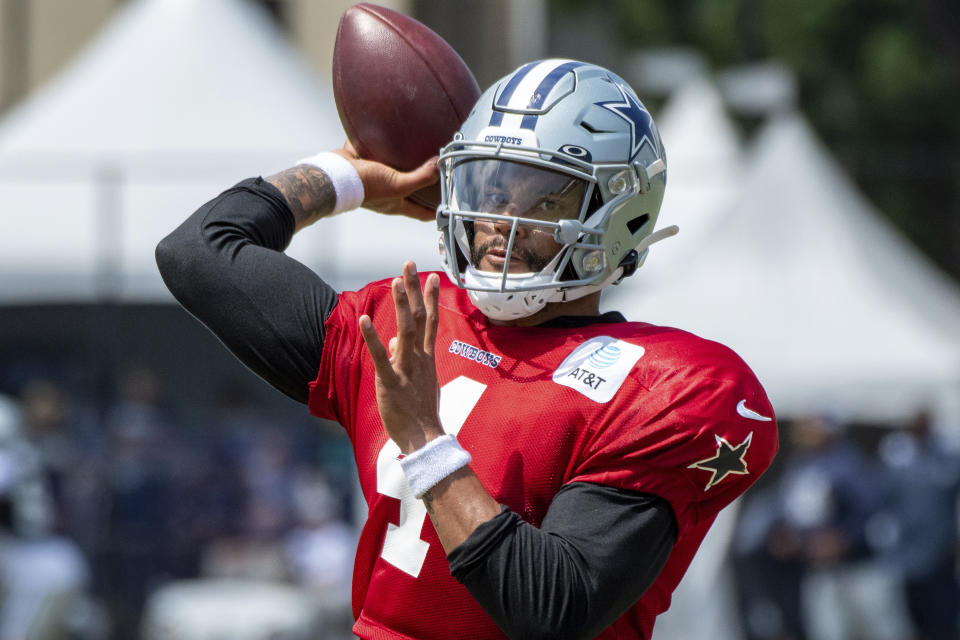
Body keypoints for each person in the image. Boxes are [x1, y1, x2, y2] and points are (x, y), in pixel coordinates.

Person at [157, 59, 778, 639]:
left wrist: (426, 442)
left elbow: (553, 609)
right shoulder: (408, 320)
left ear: (622, 214)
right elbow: (198, 253)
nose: (500, 220)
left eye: (545, 199)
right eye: (491, 187)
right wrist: (345, 175)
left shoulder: (668, 387)